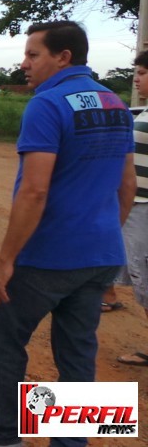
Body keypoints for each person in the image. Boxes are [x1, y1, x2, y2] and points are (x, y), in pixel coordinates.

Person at [0, 20, 136, 447]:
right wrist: (103, 234)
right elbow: (127, 185)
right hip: (102, 252)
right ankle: (71, 443)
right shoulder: (116, 102)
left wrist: (6, 260)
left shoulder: (48, 104)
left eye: (33, 55)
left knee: (3, 341)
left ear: (63, 57)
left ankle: (0, 437)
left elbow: (34, 191)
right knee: (78, 352)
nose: (24, 64)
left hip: (47, 254)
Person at [115, 50, 148, 366]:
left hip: (144, 207)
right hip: (138, 205)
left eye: (142, 72)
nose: (136, 78)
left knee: (144, 274)